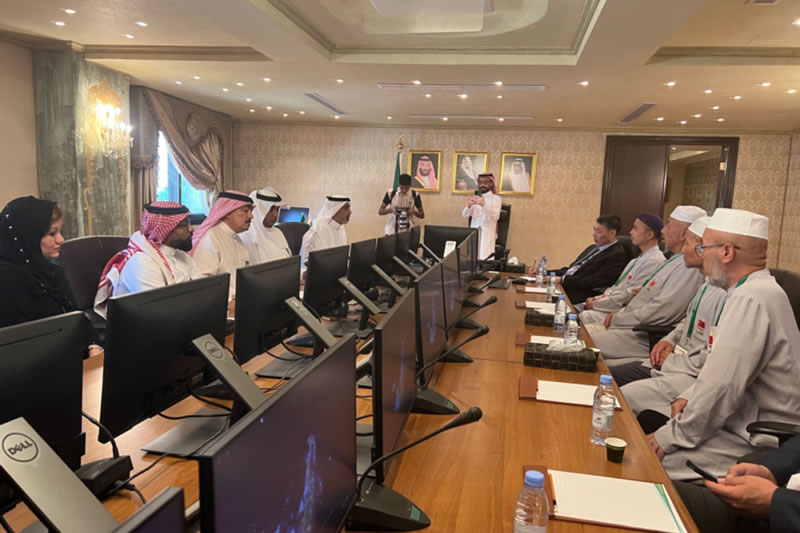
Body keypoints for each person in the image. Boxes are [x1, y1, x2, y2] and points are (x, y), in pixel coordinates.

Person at [645, 208, 800, 483]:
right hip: (736, 422)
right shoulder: (752, 290)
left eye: (704, 248)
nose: (701, 256)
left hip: (753, 437)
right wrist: (690, 395)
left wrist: (668, 437)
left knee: (642, 462)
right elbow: (720, 368)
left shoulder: (750, 298)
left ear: (727, 252)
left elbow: (722, 386)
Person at [613, 216, 726, 395]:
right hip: (672, 360)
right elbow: (687, 321)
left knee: (623, 393)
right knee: (608, 373)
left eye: (687, 243)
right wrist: (669, 340)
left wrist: (670, 360)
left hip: (686, 373)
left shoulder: (726, 293)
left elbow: (710, 358)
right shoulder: (708, 283)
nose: (683, 250)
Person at [586, 205, 706, 368]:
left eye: (669, 224)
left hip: (640, 334)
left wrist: (619, 318)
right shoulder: (674, 259)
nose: (663, 230)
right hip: (629, 325)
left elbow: (662, 310)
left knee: (583, 343)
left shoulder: (689, 267)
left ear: (684, 232)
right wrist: (620, 315)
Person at [0, 196, 102, 355]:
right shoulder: (8, 282)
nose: (61, 239)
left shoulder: (52, 272)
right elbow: (22, 349)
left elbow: (77, 317)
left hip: (73, 358)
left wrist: (93, 346)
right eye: (52, 233)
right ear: (29, 237)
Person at [675, 432, 800, 532]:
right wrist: (769, 471)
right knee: (668, 497)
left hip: (786, 515)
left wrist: (776, 502)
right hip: (773, 504)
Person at [94, 201, 199, 318]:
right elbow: (160, 310)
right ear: (166, 229)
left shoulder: (183, 257)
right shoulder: (141, 262)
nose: (191, 229)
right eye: (184, 225)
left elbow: (202, 292)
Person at [580, 213, 666, 323]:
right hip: (610, 304)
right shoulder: (636, 260)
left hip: (624, 312)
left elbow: (631, 296)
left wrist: (596, 304)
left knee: (584, 315)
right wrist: (598, 299)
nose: (630, 232)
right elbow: (618, 287)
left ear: (649, 235)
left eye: (635, 228)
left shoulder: (654, 261)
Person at [536, 215, 629, 305]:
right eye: (594, 230)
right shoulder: (592, 248)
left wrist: (563, 280)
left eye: (599, 231)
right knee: (537, 289)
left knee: (541, 298)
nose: (594, 234)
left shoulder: (617, 254)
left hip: (582, 294)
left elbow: (595, 281)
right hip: (567, 286)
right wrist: (545, 272)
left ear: (612, 233)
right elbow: (572, 270)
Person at [191, 190, 253, 302]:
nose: (251, 216)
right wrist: (229, 300)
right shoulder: (210, 238)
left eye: (250, 211)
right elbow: (203, 284)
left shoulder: (237, 238)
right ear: (228, 212)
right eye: (245, 211)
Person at [240, 186, 292, 264]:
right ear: (258, 211)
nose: (275, 214)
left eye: (277, 209)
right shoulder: (245, 237)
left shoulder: (278, 233)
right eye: (271, 209)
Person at [300, 195, 351, 268]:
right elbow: (306, 262)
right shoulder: (318, 229)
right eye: (346, 208)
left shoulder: (340, 228)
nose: (350, 212)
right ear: (334, 209)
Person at [462, 173, 502, 260]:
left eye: (485, 182)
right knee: (472, 261)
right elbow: (464, 215)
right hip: (473, 235)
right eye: (480, 182)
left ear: (491, 184)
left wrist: (483, 205)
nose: (482, 185)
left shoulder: (496, 199)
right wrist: (468, 206)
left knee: (485, 261)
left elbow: (496, 216)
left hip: (487, 235)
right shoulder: (475, 197)